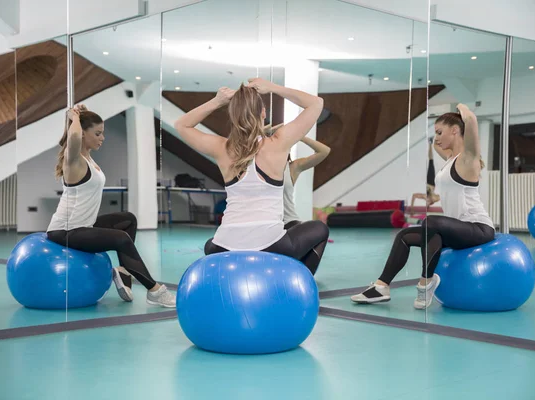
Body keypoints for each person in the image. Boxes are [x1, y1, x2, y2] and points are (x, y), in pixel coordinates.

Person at [174, 78, 329, 275]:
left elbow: (181, 125)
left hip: (221, 247)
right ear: (263, 113)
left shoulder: (222, 148)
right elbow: (316, 103)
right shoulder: (278, 143)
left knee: (209, 244)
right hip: (271, 244)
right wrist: (272, 88)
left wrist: (218, 100)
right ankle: (300, 281)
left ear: (232, 115)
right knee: (319, 228)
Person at [351, 104, 495, 309]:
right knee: (404, 237)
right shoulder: (449, 159)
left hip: (478, 229)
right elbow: (438, 145)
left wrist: (460, 107)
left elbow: (470, 119)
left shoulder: (467, 159)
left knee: (431, 222)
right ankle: (381, 287)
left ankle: (426, 282)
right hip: (456, 229)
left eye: (439, 132)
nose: (436, 137)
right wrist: (436, 139)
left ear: (455, 130)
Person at [46, 104, 176, 308]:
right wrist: (75, 119)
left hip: (84, 225)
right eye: (97, 133)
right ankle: (155, 291)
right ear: (82, 133)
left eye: (103, 133)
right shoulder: (74, 161)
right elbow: (72, 138)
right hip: (65, 230)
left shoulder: (87, 158)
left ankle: (123, 273)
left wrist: (82, 117)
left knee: (128, 219)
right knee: (121, 239)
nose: (102, 137)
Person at [409, 138, 441, 214]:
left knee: (430, 160)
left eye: (426, 202)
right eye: (428, 202)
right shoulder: (434, 198)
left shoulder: (425, 196)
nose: (427, 201)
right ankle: (430, 143)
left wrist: (412, 208)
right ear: (431, 203)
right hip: (432, 181)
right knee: (431, 160)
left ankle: (430, 143)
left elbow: (414, 196)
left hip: (428, 180)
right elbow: (443, 197)